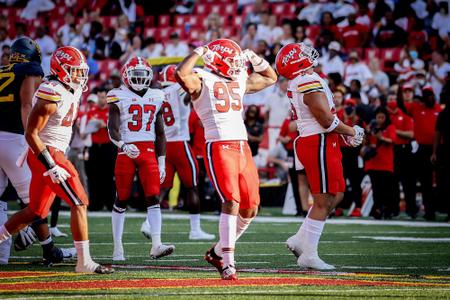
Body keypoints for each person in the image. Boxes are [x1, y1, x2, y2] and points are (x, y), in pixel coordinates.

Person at [0, 46, 112, 274]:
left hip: (53, 151)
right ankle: (84, 262)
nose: (80, 76)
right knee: (79, 201)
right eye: (74, 70)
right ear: (60, 70)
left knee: (35, 212)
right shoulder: (51, 91)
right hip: (48, 152)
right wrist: (50, 165)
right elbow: (31, 134)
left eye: (81, 71)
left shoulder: (71, 88)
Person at [176, 38, 277, 280]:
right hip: (219, 146)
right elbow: (182, 73)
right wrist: (199, 51)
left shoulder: (238, 78)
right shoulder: (201, 77)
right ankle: (229, 263)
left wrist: (256, 59)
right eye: (230, 61)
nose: (235, 65)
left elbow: (270, 78)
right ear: (217, 61)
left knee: (251, 207)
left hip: (242, 146)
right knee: (231, 201)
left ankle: (218, 251)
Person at [275, 43, 364, 270]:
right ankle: (309, 254)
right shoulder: (306, 81)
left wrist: (341, 135)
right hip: (318, 141)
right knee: (324, 200)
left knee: (337, 194)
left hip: (323, 140)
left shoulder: (305, 79)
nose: (307, 53)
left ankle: (300, 238)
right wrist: (351, 130)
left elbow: (326, 117)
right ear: (297, 62)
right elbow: (325, 120)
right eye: (301, 54)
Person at [0, 37, 75, 265]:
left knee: (1, 200)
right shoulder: (31, 68)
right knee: (34, 201)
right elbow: (26, 104)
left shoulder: (3, 69)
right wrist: (30, 136)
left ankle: (3, 253)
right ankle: (48, 249)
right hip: (14, 138)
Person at [108, 56, 174, 261]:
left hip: (148, 151)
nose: (138, 79)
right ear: (126, 76)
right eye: (134, 75)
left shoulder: (157, 95)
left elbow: (161, 133)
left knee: (154, 197)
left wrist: (162, 161)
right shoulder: (117, 95)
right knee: (122, 198)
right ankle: (117, 248)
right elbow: (112, 128)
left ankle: (156, 245)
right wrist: (123, 146)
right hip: (125, 150)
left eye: (142, 75)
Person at [141, 65, 215, 241]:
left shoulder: (156, 94)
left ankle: (148, 222)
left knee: (164, 187)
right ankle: (195, 229)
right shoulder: (178, 89)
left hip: (163, 146)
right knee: (192, 186)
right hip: (180, 144)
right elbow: (194, 88)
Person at [408, 88, 442, 220]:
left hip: (439, 148)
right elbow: (400, 104)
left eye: (431, 95)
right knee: (425, 182)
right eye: (427, 95)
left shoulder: (440, 109)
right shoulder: (417, 108)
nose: (430, 98)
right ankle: (429, 211)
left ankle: (440, 208)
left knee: (441, 181)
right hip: (422, 149)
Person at [362, 107, 397, 219]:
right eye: (378, 117)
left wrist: (381, 137)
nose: (380, 119)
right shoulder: (372, 127)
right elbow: (365, 143)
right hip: (373, 163)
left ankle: (387, 209)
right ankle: (377, 209)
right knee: (376, 188)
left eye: (382, 117)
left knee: (386, 189)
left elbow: (392, 140)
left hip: (386, 163)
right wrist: (367, 133)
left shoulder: (390, 127)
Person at [85, 88, 116, 211]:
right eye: (99, 97)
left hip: (108, 146)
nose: (101, 100)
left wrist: (105, 125)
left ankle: (109, 203)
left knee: (108, 176)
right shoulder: (92, 111)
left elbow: (117, 126)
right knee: (94, 176)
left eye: (103, 97)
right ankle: (95, 204)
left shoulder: (112, 111)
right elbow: (85, 126)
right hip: (95, 146)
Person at [386, 97, 417, 217]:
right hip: (392, 150)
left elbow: (411, 134)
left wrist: (394, 131)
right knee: (392, 182)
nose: (391, 101)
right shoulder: (386, 116)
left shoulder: (404, 115)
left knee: (408, 181)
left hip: (404, 150)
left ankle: (411, 209)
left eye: (393, 99)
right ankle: (394, 209)